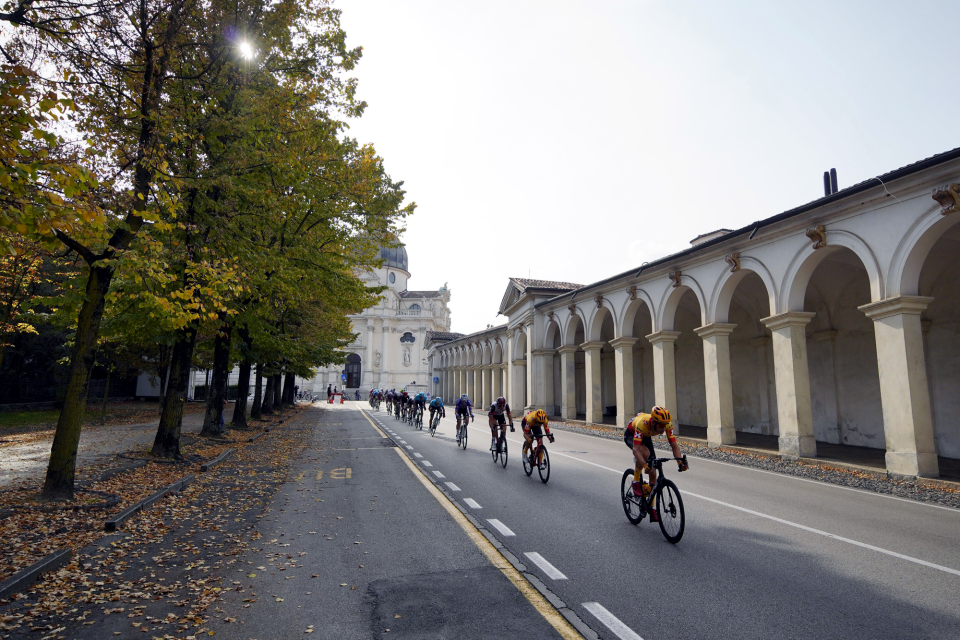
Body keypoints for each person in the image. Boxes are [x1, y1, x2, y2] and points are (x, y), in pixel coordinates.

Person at [624, 406, 688, 522]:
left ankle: (652, 508)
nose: (663, 428)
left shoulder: (666, 425)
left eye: (665, 425)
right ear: (653, 422)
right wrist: (644, 465)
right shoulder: (642, 423)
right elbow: (636, 449)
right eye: (661, 425)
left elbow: (674, 445)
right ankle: (636, 481)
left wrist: (680, 462)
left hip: (646, 435)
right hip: (632, 434)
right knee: (644, 453)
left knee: (653, 471)